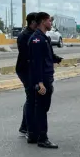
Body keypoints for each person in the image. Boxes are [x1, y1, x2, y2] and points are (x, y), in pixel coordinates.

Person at [27, 12, 63, 149]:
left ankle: (35, 134)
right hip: (42, 80)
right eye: (49, 21)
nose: (51, 23)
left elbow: (47, 56)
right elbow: (36, 63)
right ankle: (42, 138)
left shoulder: (44, 38)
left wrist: (56, 59)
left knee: (42, 108)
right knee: (41, 109)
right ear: (43, 22)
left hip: (47, 77)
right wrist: (40, 82)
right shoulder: (37, 39)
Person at [15, 12, 42, 139]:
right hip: (25, 70)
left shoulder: (34, 34)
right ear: (32, 23)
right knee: (31, 97)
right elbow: (29, 55)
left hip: (31, 70)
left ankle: (25, 127)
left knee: (32, 98)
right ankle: (27, 128)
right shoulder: (24, 36)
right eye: (38, 22)